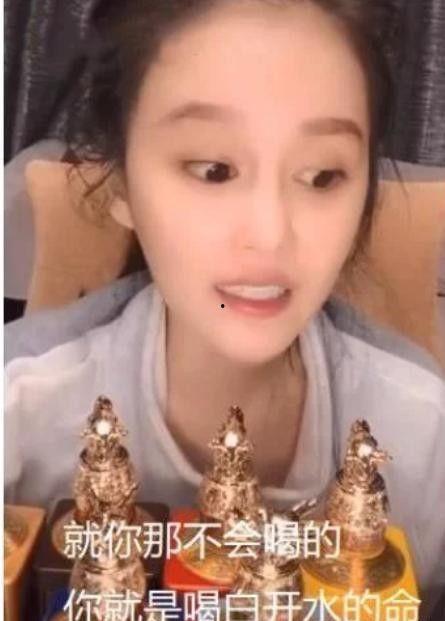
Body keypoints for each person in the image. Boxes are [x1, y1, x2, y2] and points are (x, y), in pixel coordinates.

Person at [5, 0, 445, 614]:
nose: (270, 235)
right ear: (122, 182)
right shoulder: (19, 412)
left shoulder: (425, 436)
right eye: (214, 170)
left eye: (322, 176)